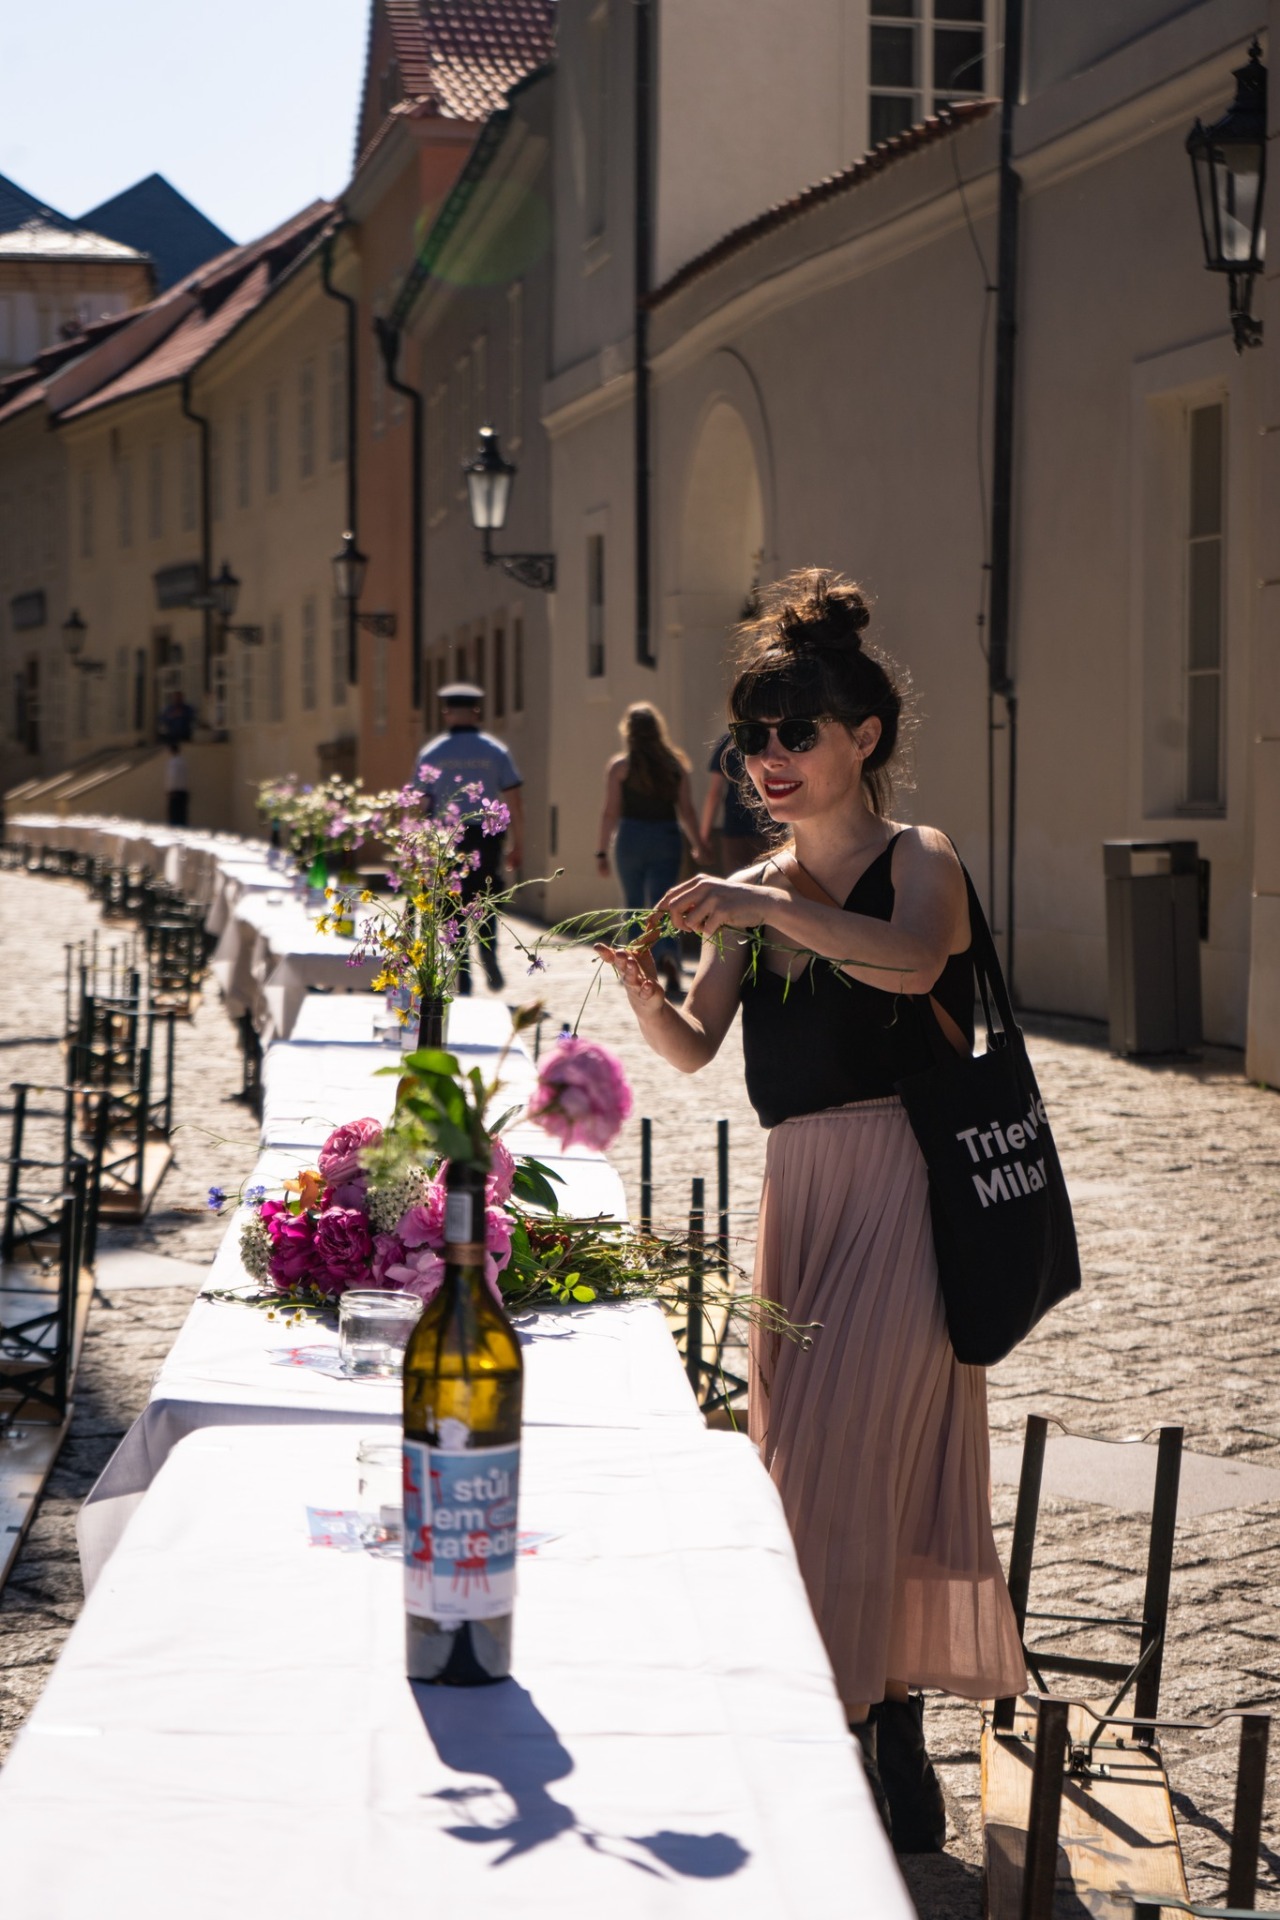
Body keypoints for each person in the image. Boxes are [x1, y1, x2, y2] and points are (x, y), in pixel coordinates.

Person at [596, 571, 1025, 1851]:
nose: (766, 760)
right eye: (750, 739)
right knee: (813, 1470)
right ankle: (877, 1714)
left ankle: (836, 1724)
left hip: (905, 1180)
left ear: (863, 740)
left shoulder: (914, 860)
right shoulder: (756, 889)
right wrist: (640, 990)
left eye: (794, 735)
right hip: (802, 1199)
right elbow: (690, 1052)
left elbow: (915, 960)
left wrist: (762, 901)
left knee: (849, 1453)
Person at [414, 682, 524, 993]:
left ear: (446, 713)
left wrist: (416, 849)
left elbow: (420, 805)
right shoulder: (495, 751)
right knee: (485, 898)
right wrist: (519, 843)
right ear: (477, 712)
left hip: (446, 837)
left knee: (450, 904)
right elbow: (514, 801)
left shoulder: (432, 753)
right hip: (487, 836)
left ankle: (461, 970)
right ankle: (488, 953)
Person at [595, 703, 705, 1002]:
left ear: (628, 732)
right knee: (665, 903)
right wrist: (698, 843)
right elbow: (687, 810)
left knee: (633, 904)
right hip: (666, 835)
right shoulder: (674, 766)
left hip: (630, 836)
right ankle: (669, 956)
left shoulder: (621, 767)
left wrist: (601, 851)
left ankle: (634, 964)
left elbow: (610, 812)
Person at [699, 731, 772, 874]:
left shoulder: (729, 742)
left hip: (735, 827)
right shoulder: (770, 738)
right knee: (769, 883)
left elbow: (715, 793)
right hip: (768, 827)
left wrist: (704, 836)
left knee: (737, 886)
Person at [164, 742, 189, 827]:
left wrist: (169, 790)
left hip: (174, 791)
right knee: (182, 814)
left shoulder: (172, 762)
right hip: (183, 791)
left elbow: (173, 777)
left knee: (174, 815)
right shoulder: (183, 762)